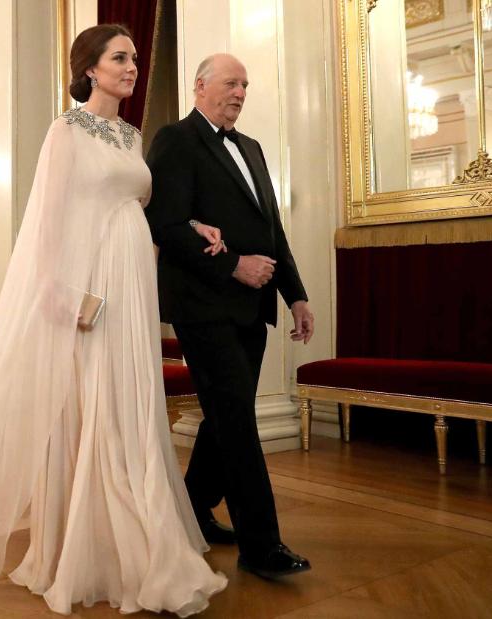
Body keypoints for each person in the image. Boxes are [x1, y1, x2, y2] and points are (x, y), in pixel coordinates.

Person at [0, 25, 227, 615]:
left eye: (133, 57)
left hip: (134, 282)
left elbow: (135, 208)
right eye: (120, 58)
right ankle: (83, 548)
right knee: (91, 404)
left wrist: (190, 228)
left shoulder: (132, 135)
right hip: (91, 286)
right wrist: (59, 294)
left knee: (129, 403)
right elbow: (48, 220)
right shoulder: (66, 130)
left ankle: (132, 535)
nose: (132, 67)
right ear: (90, 68)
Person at [144, 53, 316, 579]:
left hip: (252, 309)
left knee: (227, 415)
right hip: (203, 306)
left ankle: (192, 508)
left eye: (245, 84)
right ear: (200, 86)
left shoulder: (254, 148)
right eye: (230, 83)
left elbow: (272, 231)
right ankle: (261, 545)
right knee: (238, 422)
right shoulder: (176, 139)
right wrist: (235, 267)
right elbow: (166, 225)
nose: (240, 92)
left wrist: (296, 294)